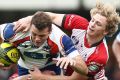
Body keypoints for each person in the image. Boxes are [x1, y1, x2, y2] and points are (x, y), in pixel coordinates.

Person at [13, 1, 120, 80]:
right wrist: (29, 19)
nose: (92, 25)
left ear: (106, 31)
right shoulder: (80, 23)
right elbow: (52, 17)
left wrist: (41, 77)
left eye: (98, 24)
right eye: (92, 20)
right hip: (63, 73)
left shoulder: (100, 55)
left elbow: (74, 79)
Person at [0, 12, 87, 79]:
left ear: (50, 32)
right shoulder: (15, 30)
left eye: (42, 36)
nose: (37, 39)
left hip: (51, 69)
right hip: (24, 68)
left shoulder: (60, 38)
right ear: (30, 27)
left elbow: (84, 70)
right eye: (34, 34)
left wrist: (72, 62)